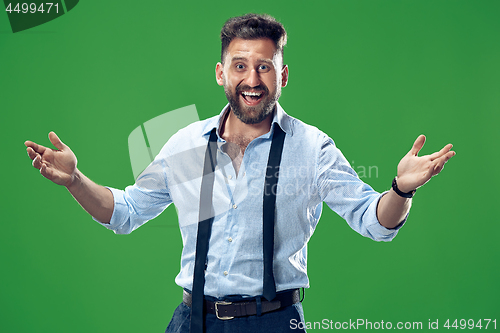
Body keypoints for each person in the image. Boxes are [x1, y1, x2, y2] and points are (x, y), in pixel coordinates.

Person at [25, 13, 455, 333]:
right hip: (193, 321)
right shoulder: (188, 144)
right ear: (221, 73)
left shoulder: (312, 148)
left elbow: (373, 220)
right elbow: (125, 212)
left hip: (276, 321)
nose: (253, 78)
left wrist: (401, 189)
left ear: (282, 75)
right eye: (240, 65)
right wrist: (76, 181)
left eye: (264, 66)